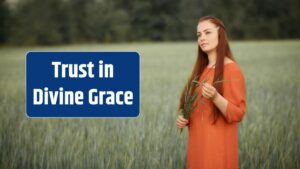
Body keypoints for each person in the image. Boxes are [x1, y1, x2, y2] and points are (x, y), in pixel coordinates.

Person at [176, 16, 246, 169]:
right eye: (199, 35)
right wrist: (185, 117)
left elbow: (238, 114)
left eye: (207, 32)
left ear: (220, 34)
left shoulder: (232, 70)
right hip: (198, 147)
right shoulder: (202, 70)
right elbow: (198, 108)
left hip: (216, 151)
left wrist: (215, 97)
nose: (202, 38)